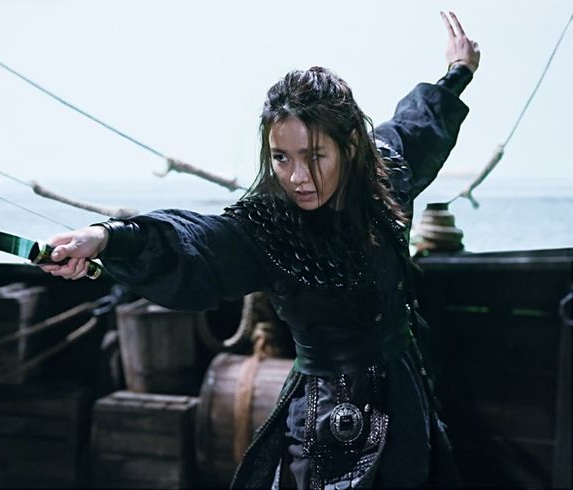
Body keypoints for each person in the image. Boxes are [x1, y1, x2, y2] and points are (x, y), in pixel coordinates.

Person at [41, 10, 480, 488]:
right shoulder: (269, 226)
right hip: (328, 418)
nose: (297, 177)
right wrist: (108, 237)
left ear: (350, 146)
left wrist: (458, 72)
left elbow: (418, 124)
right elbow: (198, 242)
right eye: (281, 158)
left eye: (314, 156)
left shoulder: (384, 175)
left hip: (403, 392)